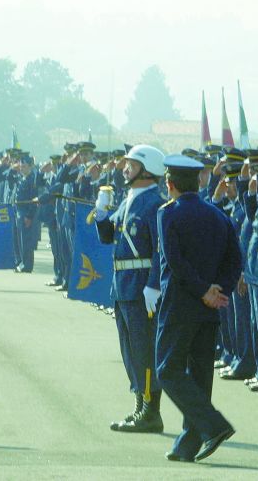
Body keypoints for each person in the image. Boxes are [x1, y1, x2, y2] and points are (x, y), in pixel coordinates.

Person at [155, 155, 242, 462]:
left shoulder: (168, 214)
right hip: (209, 307)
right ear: (199, 182)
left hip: (180, 304)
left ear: (170, 184)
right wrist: (219, 291)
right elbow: (235, 260)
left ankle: (213, 425)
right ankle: (188, 444)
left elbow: (175, 262)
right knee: (201, 373)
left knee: (167, 369)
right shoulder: (218, 215)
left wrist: (204, 290)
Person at [95, 144, 166, 433]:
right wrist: (101, 213)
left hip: (142, 288)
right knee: (129, 349)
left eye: (131, 164)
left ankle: (151, 412)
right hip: (123, 286)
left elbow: (162, 250)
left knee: (143, 349)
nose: (125, 169)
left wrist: (153, 285)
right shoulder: (128, 200)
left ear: (147, 169)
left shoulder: (154, 203)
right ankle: (140, 405)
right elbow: (109, 237)